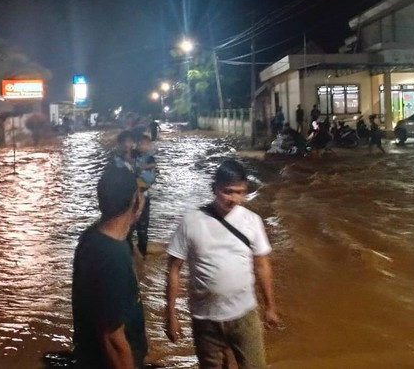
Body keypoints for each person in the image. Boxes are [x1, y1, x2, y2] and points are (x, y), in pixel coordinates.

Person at [165, 159, 280, 369]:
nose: (234, 199)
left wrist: (270, 307)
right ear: (214, 188)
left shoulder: (252, 221)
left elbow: (262, 265)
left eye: (240, 192)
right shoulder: (191, 221)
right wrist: (171, 314)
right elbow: (174, 269)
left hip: (244, 315)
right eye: (228, 192)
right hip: (205, 319)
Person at [72, 166, 147, 369]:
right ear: (135, 200)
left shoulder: (92, 237)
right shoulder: (113, 258)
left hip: (89, 355)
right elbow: (113, 338)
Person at [129, 135, 158, 258]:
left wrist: (142, 168)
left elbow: (153, 166)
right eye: (140, 144)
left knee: (142, 227)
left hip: (143, 195)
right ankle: (131, 253)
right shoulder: (134, 155)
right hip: (134, 194)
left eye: (145, 144)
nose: (142, 146)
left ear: (149, 146)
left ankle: (142, 254)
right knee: (130, 226)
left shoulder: (149, 158)